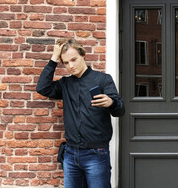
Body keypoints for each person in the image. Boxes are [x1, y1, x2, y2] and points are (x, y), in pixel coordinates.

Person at [36, 38, 125, 188]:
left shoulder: (103, 80)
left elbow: (120, 111)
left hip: (96, 154)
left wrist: (111, 102)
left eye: (73, 59)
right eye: (65, 63)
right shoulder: (65, 84)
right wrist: (53, 59)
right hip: (70, 154)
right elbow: (43, 88)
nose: (71, 66)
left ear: (83, 55)